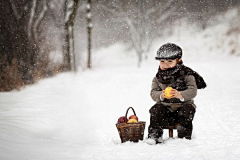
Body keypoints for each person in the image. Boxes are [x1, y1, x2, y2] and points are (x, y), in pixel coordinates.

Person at [147, 43, 206, 144]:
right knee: (155, 111)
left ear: (178, 60)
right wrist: (161, 95)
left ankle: (184, 136)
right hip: (165, 107)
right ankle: (154, 136)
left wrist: (180, 94)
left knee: (187, 111)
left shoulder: (187, 75)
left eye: (170, 61)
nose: (165, 64)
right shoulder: (158, 77)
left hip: (182, 106)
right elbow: (153, 93)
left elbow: (193, 90)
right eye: (162, 61)